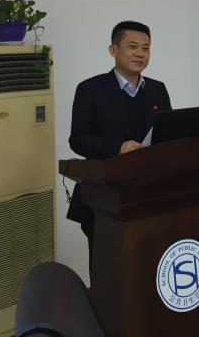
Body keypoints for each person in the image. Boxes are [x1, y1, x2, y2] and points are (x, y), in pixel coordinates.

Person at [66, 20, 172, 268]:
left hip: (149, 192)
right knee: (109, 268)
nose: (140, 54)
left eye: (146, 48)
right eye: (132, 46)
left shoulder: (157, 89)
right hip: (105, 196)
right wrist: (118, 148)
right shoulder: (91, 89)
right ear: (113, 50)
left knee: (149, 263)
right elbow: (78, 139)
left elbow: (166, 134)